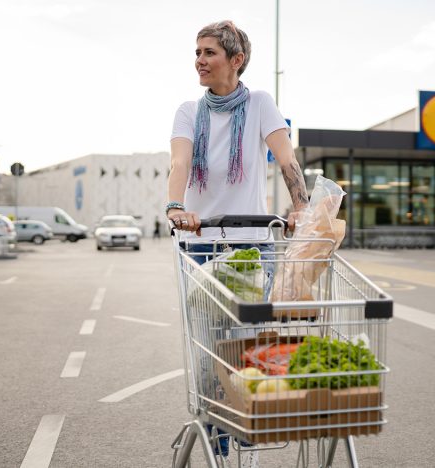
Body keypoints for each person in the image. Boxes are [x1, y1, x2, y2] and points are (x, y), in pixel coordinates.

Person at [165, 20, 309, 467]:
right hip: (201, 241)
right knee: (207, 344)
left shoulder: (263, 103)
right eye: (198, 52)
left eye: (209, 53)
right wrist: (175, 206)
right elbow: (180, 161)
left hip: (250, 242)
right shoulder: (189, 110)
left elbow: (286, 159)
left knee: (244, 340)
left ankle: (241, 423)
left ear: (236, 60)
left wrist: (300, 204)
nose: (200, 61)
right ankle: (215, 427)